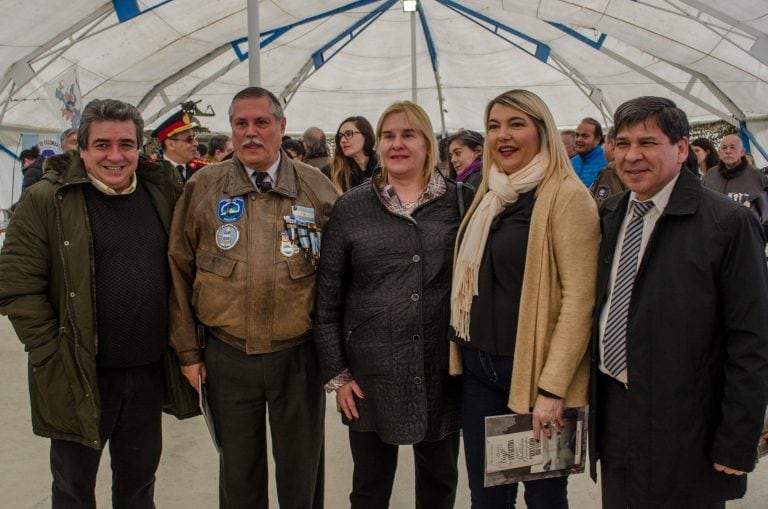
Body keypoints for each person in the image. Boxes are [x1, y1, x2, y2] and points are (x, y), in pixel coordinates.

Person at [0, 98, 183, 508]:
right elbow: (15, 284)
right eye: (102, 145)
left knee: (138, 486)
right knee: (73, 490)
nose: (115, 156)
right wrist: (51, 351)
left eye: (125, 144)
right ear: (80, 149)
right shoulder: (48, 200)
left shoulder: (161, 193)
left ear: (141, 148)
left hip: (145, 372)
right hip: (78, 371)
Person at [590, 96, 768, 509]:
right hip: (617, 409)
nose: (632, 156)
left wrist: (737, 439)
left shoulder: (727, 223)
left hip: (689, 424)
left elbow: (752, 340)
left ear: (682, 149)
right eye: (623, 143)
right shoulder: (612, 213)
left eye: (648, 143)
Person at [168, 86, 338, 509]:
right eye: (240, 124)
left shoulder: (316, 189)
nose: (250, 133)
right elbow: (179, 268)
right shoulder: (203, 187)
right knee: (238, 474)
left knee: (302, 472)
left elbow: (340, 276)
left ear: (281, 127)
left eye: (261, 122)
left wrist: (337, 356)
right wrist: (189, 352)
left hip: (297, 355)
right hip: (227, 354)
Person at [450, 89, 600, 508]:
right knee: (487, 497)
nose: (503, 135)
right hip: (480, 372)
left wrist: (553, 388)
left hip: (535, 375)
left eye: (517, 124)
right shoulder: (491, 193)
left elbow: (578, 298)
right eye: (495, 126)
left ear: (543, 131)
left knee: (544, 496)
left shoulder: (566, 197)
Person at [315, 100, 466, 509]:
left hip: (439, 371)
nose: (397, 144)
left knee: (439, 483)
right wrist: (339, 375)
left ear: (428, 143)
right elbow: (327, 302)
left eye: (408, 134)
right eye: (388, 135)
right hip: (369, 375)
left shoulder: (461, 203)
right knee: (369, 487)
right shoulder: (352, 207)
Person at [702, 134, 768, 233]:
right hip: (716, 236)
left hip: (746, 235)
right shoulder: (710, 175)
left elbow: (765, 212)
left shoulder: (757, 176)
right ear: (719, 153)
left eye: (732, 147)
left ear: (742, 152)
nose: (728, 151)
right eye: (724, 148)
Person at [324, 115, 377, 192]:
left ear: (365, 135)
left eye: (348, 134)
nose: (343, 140)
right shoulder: (330, 172)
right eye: (340, 136)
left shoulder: (384, 166)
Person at [152, 109, 204, 181]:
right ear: (170, 145)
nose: (196, 143)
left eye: (194, 138)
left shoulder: (203, 170)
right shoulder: (151, 172)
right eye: (189, 139)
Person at [590, 126, 626, 206]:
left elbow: (602, 205)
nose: (603, 147)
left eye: (605, 143)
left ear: (612, 144)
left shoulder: (610, 171)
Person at [570, 117, 607, 187]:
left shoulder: (606, 163)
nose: (579, 139)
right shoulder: (570, 163)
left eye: (585, 136)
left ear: (597, 139)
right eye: (577, 135)